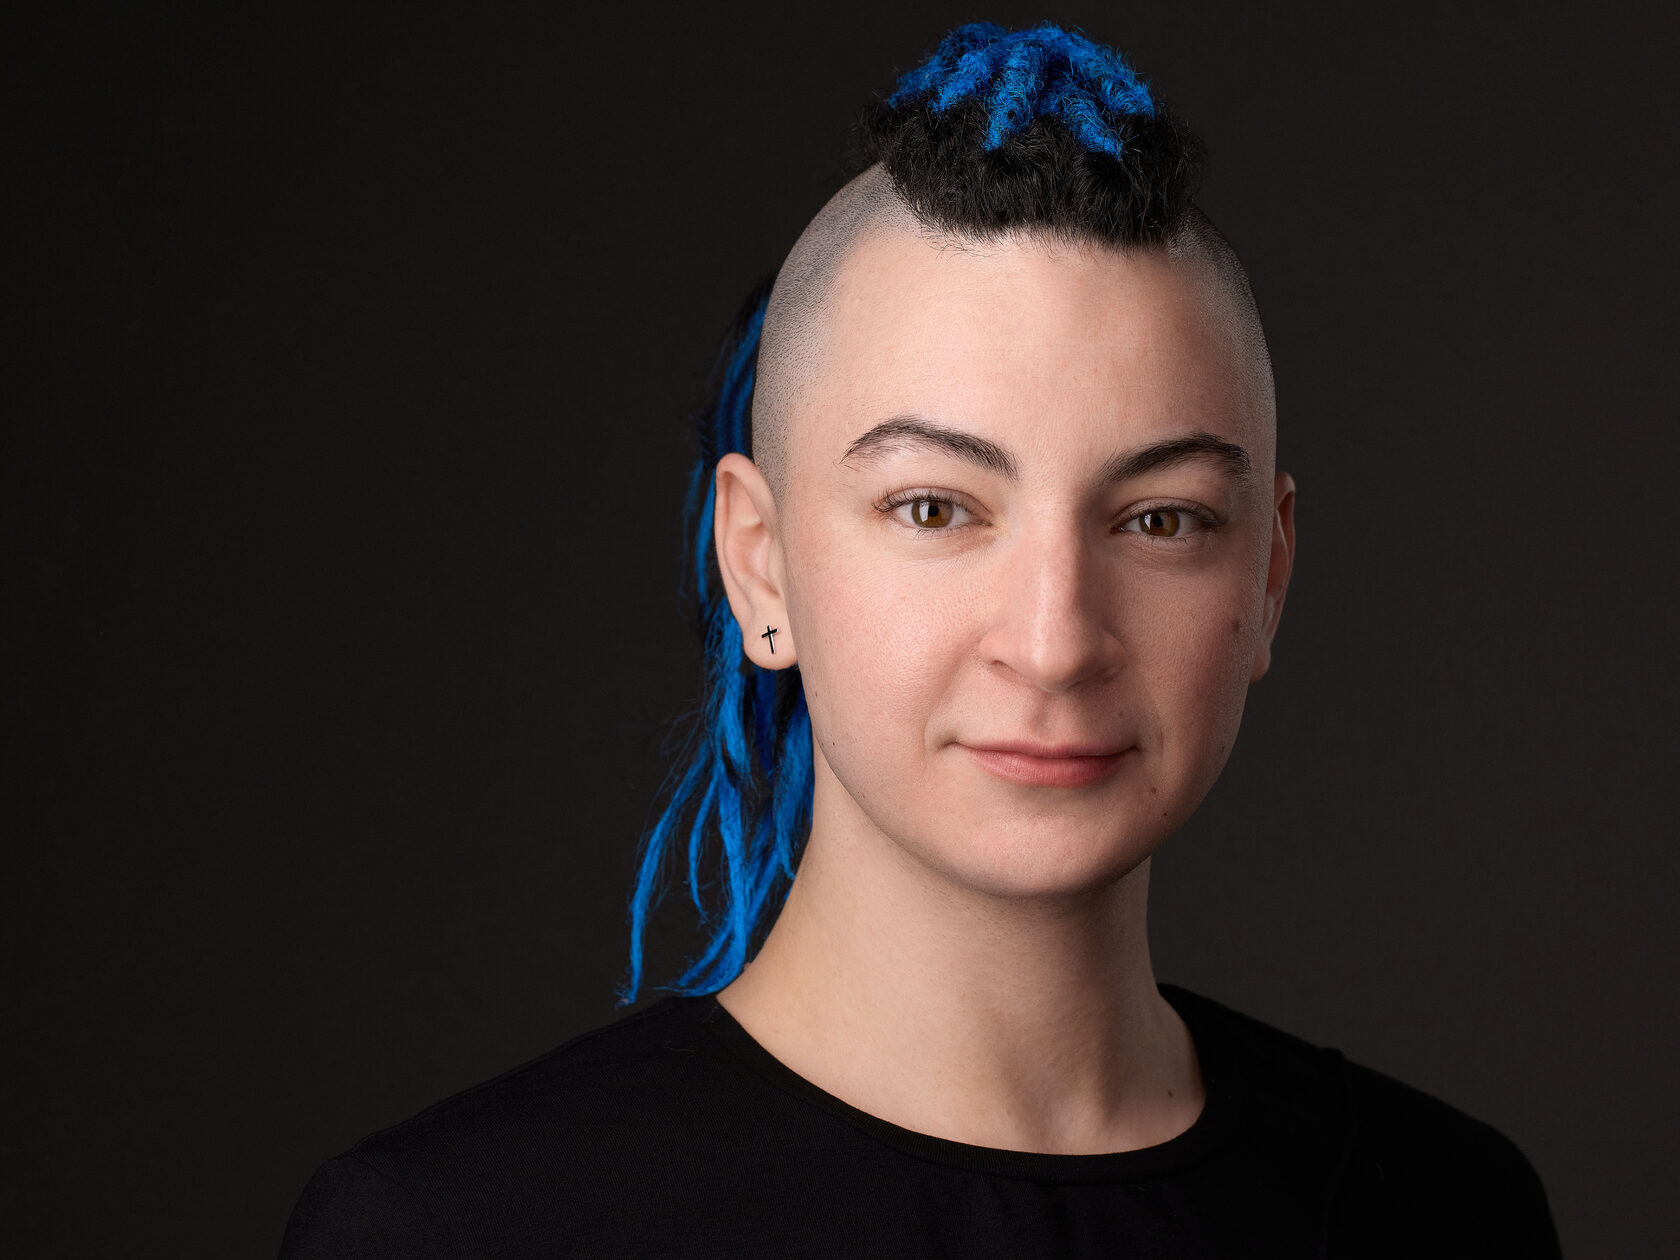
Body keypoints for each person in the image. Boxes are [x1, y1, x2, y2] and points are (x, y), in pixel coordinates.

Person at [279, 22, 1561, 1257]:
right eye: (936, 509)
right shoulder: (458, 1232)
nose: (1054, 643)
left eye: (1159, 519)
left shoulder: (1447, 1212)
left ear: (1268, 576)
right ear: (759, 559)